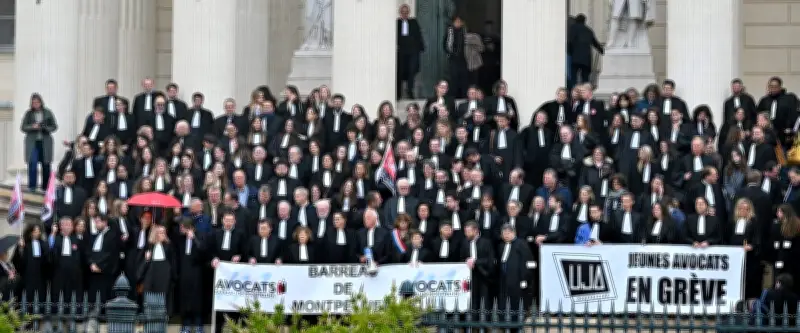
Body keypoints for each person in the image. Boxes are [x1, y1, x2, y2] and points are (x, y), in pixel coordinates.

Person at [20, 93, 59, 192]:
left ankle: (45, 188)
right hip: (33, 142)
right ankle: (32, 187)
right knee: (32, 164)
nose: (35, 104)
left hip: (45, 142)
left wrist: (44, 127)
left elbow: (54, 126)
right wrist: (32, 127)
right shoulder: (28, 114)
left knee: (46, 164)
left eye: (37, 102)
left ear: (41, 102)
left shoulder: (47, 112)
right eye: (33, 103)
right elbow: (23, 127)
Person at [567, 14, 604, 90]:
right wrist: (601, 50)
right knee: (585, 79)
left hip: (575, 57)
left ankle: (573, 93)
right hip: (586, 58)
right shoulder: (589, 30)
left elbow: (570, 41)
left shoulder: (573, 28)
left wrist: (569, 52)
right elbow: (595, 43)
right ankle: (585, 93)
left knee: (574, 78)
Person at [396, 4, 425, 99]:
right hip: (401, 51)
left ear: (408, 13)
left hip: (412, 51)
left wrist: (420, 47)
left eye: (406, 12)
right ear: (400, 13)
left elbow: (418, 35)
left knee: (411, 71)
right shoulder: (397, 23)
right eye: (403, 12)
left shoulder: (413, 22)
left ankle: (410, 91)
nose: (405, 14)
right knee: (400, 71)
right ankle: (398, 93)